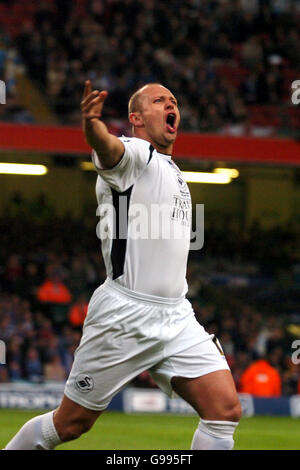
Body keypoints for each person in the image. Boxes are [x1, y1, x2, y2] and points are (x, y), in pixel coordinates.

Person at [4, 80, 241, 450]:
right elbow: (107, 145)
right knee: (70, 425)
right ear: (137, 118)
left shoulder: (175, 171)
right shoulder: (135, 155)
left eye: (174, 100)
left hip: (177, 316)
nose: (170, 104)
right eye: (159, 100)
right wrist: (92, 123)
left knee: (224, 410)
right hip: (124, 316)